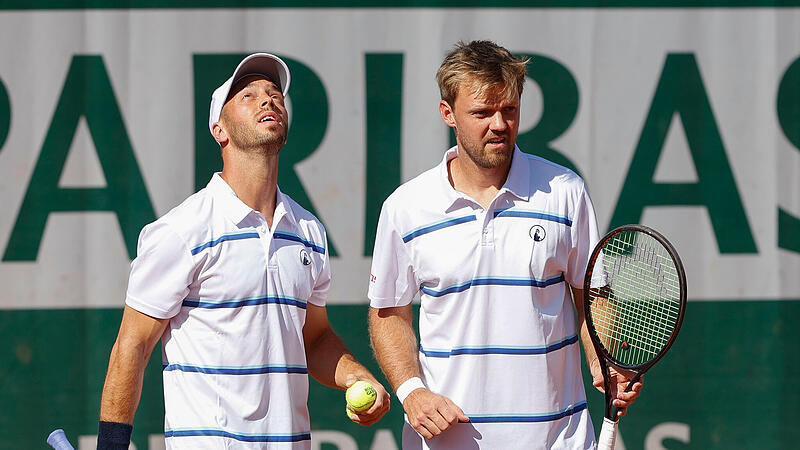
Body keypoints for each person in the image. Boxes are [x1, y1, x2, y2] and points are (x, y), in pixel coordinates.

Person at [97, 53, 389, 450]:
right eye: (247, 96)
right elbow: (132, 346)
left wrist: (357, 376)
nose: (268, 100)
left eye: (274, 94)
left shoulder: (308, 231)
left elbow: (315, 338)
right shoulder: (181, 231)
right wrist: (109, 446)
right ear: (220, 129)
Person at [367, 40, 642, 449]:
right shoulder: (405, 208)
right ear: (449, 115)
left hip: (556, 438)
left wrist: (605, 360)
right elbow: (389, 313)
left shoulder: (565, 191)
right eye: (482, 112)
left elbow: (592, 294)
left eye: (509, 110)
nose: (499, 124)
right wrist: (412, 392)